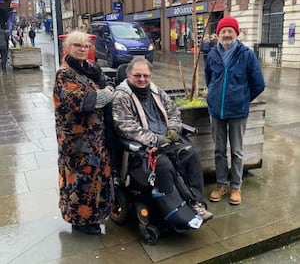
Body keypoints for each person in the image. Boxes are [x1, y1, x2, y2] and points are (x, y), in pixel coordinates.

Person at [112, 57, 213, 223]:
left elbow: (173, 112)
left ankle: (196, 202)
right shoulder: (121, 96)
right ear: (128, 75)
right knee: (164, 165)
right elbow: (125, 127)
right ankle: (173, 210)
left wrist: (173, 129)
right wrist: (156, 140)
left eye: (146, 75)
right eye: (138, 75)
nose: (142, 79)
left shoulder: (156, 91)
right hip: (143, 148)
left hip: (166, 140)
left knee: (191, 153)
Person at [53, 31, 115, 235]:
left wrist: (105, 92)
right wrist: (106, 94)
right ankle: (80, 222)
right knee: (80, 182)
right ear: (67, 49)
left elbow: (108, 84)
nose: (82, 49)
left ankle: (95, 215)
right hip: (76, 141)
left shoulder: (90, 68)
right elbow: (83, 102)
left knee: (97, 178)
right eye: (77, 45)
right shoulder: (64, 74)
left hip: (96, 137)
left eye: (85, 45)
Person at [205, 17, 265, 205]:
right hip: (216, 111)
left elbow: (259, 84)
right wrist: (214, 95)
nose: (227, 34)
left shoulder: (247, 54)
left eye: (231, 31)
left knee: (237, 151)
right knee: (219, 150)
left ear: (237, 34)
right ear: (218, 34)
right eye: (224, 31)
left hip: (238, 112)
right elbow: (209, 79)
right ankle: (221, 184)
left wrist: (242, 99)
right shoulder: (212, 55)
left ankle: (236, 187)